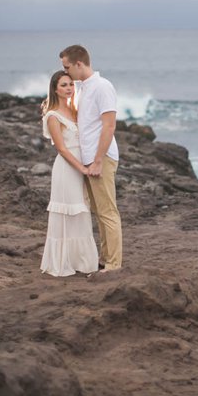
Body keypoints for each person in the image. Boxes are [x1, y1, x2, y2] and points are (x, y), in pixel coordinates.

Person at [60, 45, 123, 273]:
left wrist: (97, 160)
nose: (66, 72)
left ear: (79, 64)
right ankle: (107, 259)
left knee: (108, 212)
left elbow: (109, 125)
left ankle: (114, 265)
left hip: (101, 158)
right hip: (89, 160)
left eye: (67, 67)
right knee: (98, 211)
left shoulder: (102, 87)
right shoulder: (83, 88)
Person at [39, 71, 99, 276]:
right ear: (55, 88)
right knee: (67, 213)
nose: (69, 88)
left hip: (81, 167)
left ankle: (81, 261)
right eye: (64, 85)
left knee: (81, 212)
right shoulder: (52, 115)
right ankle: (62, 262)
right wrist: (82, 168)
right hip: (66, 169)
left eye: (71, 85)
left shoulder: (74, 110)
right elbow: (62, 149)